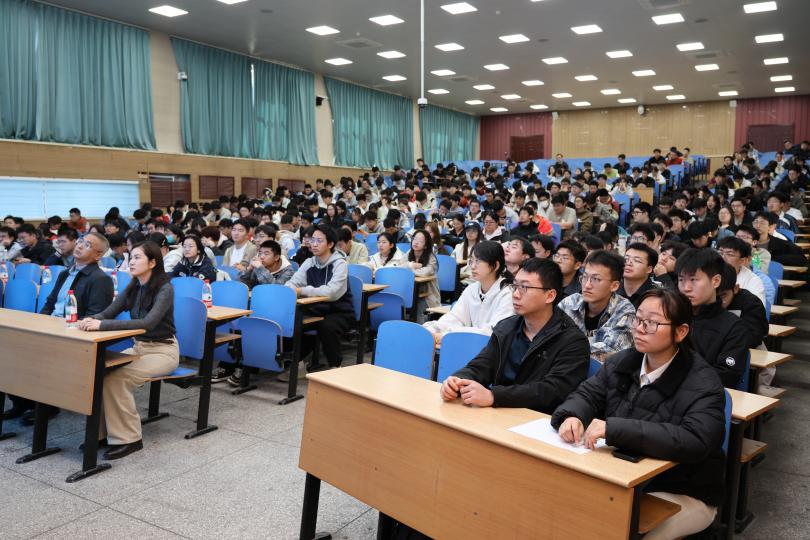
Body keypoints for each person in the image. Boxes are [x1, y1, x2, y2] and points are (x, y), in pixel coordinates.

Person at [552, 289, 726, 540]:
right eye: (638, 319)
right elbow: (587, 395)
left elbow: (695, 440)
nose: (640, 329)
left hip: (682, 490)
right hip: (622, 477)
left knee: (625, 531)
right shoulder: (623, 362)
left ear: (680, 332)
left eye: (652, 323)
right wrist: (573, 416)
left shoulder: (703, 382)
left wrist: (614, 430)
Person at [439, 258, 589, 412]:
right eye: (515, 286)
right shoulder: (507, 327)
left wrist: (494, 396)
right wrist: (458, 381)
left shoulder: (573, 341)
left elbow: (553, 391)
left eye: (524, 287)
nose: (516, 294)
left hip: (540, 420)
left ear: (550, 296)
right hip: (499, 413)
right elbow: (482, 365)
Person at [78, 241, 179, 460]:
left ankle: (130, 439)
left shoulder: (165, 288)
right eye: (131, 257)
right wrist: (89, 320)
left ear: (152, 263)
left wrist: (101, 325)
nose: (131, 262)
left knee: (117, 378)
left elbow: (148, 323)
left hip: (163, 351)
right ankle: (101, 434)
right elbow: (109, 312)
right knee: (101, 373)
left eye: (137, 258)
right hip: (139, 347)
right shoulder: (134, 286)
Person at [4, 232, 115, 423]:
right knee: (11, 346)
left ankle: (47, 406)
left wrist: (58, 330)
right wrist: (37, 325)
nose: (80, 245)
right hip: (51, 329)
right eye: (81, 241)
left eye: (88, 245)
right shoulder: (65, 273)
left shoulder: (100, 279)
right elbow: (49, 304)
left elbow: (93, 317)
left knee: (34, 353)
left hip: (72, 335)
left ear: (98, 255)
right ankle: (21, 402)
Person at [285, 224, 355, 371]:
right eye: (312, 240)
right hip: (316, 308)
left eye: (319, 241)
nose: (314, 244)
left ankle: (335, 367)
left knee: (327, 326)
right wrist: (292, 289)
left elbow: (332, 292)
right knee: (293, 320)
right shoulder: (309, 262)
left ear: (330, 244)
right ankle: (297, 363)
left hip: (339, 311)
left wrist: (302, 290)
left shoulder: (340, 264)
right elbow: (292, 283)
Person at [675, 248, 748, 387]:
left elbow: (726, 376)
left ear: (715, 281)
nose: (686, 288)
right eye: (681, 279)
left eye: (693, 279)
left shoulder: (733, 327)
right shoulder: (671, 317)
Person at [423, 241, 514, 342]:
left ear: (496, 265)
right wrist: (433, 330)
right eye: (471, 261)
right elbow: (455, 317)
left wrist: (448, 334)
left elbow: (492, 332)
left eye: (478, 261)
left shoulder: (507, 294)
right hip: (471, 343)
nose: (473, 266)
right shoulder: (472, 289)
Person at [558, 250, 635, 362]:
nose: (587, 285)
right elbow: (549, 337)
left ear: (614, 286)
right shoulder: (570, 303)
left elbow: (607, 354)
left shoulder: (625, 312)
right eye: (585, 277)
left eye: (596, 279)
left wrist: (563, 349)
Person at [716, 236, 767, 307]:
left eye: (730, 254)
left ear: (743, 261)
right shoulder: (708, 274)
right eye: (720, 253)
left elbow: (756, 309)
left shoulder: (754, 282)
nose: (722, 257)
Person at [407, 229, 440, 318]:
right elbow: (399, 266)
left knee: (419, 305)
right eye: (414, 239)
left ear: (425, 246)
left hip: (427, 295)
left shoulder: (431, 258)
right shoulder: (409, 253)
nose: (416, 242)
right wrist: (411, 265)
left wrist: (408, 269)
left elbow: (425, 272)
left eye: (420, 241)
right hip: (410, 293)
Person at [618, 243, 659, 307]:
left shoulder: (656, 296)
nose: (628, 263)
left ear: (649, 269)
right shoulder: (612, 288)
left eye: (637, 260)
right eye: (626, 258)